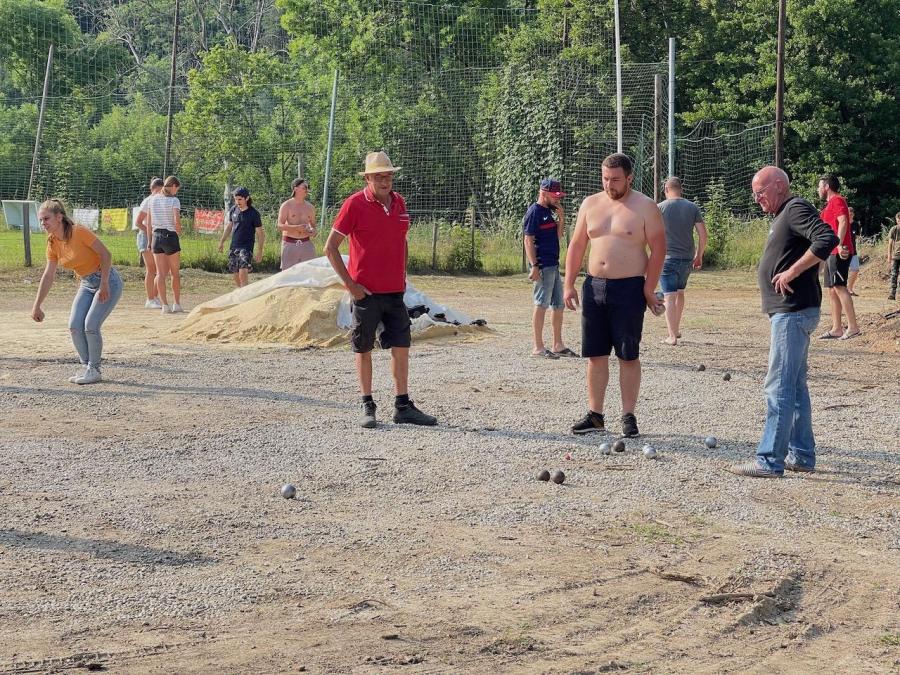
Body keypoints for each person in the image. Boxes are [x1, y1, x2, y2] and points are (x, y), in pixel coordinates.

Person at [728, 167, 839, 477]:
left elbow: (827, 237)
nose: (757, 198)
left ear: (779, 185)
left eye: (760, 191)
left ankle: (769, 460)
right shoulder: (783, 215)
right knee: (795, 385)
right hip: (790, 312)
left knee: (778, 386)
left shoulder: (795, 208)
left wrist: (792, 271)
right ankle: (802, 455)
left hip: (793, 312)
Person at [324, 151, 437, 429]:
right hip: (367, 294)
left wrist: (403, 274)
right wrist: (351, 285)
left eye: (388, 175)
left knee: (401, 346)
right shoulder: (354, 205)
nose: (385, 180)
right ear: (368, 178)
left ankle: (402, 405)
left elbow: (402, 240)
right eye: (378, 176)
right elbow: (330, 248)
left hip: (395, 292)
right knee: (363, 347)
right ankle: (367, 404)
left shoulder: (400, 203)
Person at [563, 153, 666, 438]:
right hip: (594, 286)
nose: (610, 185)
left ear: (629, 177)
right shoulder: (590, 204)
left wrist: (648, 287)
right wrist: (568, 283)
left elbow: (659, 249)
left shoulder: (645, 206)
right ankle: (595, 415)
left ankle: (628, 415)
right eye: (605, 179)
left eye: (616, 179)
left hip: (629, 288)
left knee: (627, 354)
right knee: (595, 354)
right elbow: (577, 244)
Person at [30, 199, 124, 385]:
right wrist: (37, 305)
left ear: (59, 217)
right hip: (87, 283)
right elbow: (48, 275)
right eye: (41, 220)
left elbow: (106, 254)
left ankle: (94, 369)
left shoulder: (79, 232)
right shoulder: (52, 242)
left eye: (46, 219)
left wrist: (104, 283)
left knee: (90, 325)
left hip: (107, 280)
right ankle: (87, 366)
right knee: (74, 326)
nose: (43, 223)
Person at [523, 177, 576, 359]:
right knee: (541, 304)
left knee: (558, 305)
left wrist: (561, 217)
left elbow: (558, 236)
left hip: (553, 264)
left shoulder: (550, 212)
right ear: (543, 193)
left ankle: (558, 344)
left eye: (559, 196)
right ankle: (538, 347)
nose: (558, 199)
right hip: (543, 265)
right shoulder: (534, 212)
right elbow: (528, 240)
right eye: (555, 196)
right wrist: (534, 266)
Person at [657, 176, 708, 345]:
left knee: (669, 297)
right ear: (681, 189)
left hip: (667, 258)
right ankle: (676, 329)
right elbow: (703, 234)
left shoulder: (660, 208)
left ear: (666, 189)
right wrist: (699, 255)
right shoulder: (692, 207)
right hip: (687, 258)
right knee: (679, 293)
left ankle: (671, 336)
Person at [816, 174, 860, 340]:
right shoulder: (826, 208)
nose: (818, 189)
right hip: (830, 253)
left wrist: (839, 244)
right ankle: (836, 329)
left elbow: (843, 221)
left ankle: (853, 327)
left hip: (839, 251)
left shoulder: (838, 200)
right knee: (831, 290)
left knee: (840, 287)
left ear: (827, 186)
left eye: (819, 186)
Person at [144, 175, 184, 314]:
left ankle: (165, 305)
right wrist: (178, 230)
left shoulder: (152, 199)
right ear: (173, 186)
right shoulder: (174, 200)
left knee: (160, 273)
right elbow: (176, 219)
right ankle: (177, 304)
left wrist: (149, 241)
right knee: (174, 273)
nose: (176, 192)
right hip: (170, 236)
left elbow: (148, 223)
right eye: (177, 189)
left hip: (156, 237)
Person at [219, 186, 265, 288]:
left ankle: (245, 294)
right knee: (235, 273)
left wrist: (260, 251)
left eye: (240, 199)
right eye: (235, 199)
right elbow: (229, 226)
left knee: (243, 272)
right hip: (234, 246)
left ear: (247, 198)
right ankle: (240, 292)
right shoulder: (233, 210)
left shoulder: (254, 213)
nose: (237, 201)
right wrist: (222, 241)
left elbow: (260, 233)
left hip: (246, 247)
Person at [134, 177, 163, 308]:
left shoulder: (159, 201)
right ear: (157, 188)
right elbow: (138, 222)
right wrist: (150, 233)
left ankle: (154, 297)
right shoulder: (148, 201)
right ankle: (150, 299)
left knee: (160, 269)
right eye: (162, 190)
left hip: (156, 236)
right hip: (145, 237)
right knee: (151, 268)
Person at [277, 178, 317, 269]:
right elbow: (279, 225)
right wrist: (296, 228)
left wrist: (313, 231)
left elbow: (313, 226)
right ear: (295, 189)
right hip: (289, 244)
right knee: (288, 276)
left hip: (306, 244)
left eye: (308, 187)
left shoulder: (310, 207)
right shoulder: (286, 205)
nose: (307, 189)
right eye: (304, 187)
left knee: (309, 273)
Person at [847, 206, 862, 296]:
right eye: (848, 213)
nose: (850, 215)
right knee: (843, 271)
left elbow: (857, 237)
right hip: (843, 251)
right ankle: (842, 289)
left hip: (853, 251)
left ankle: (850, 288)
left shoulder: (856, 224)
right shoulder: (842, 222)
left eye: (851, 214)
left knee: (855, 269)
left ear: (853, 214)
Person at [888, 212, 900, 301]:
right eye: (898, 219)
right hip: (895, 255)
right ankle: (892, 293)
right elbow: (890, 243)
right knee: (893, 275)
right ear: (896, 220)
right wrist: (889, 255)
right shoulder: (894, 229)